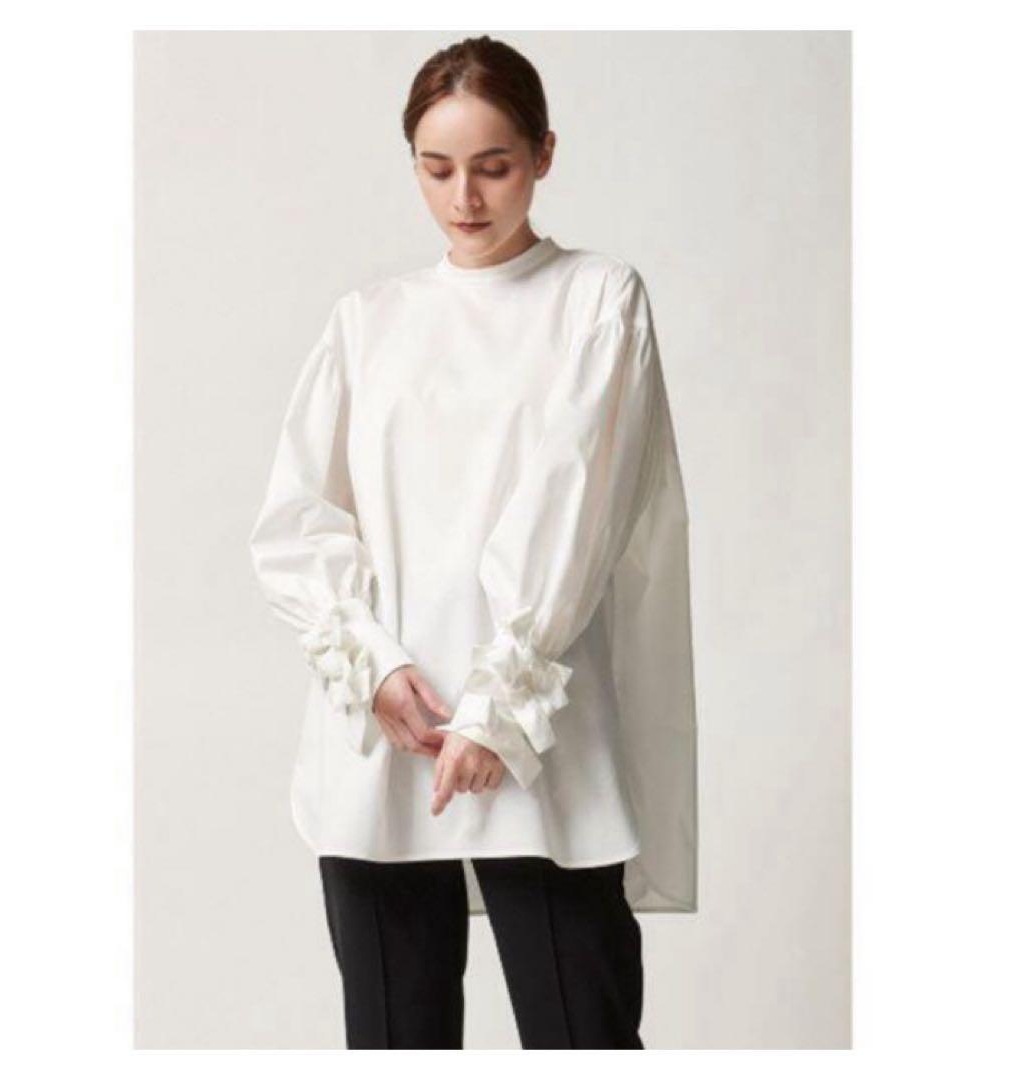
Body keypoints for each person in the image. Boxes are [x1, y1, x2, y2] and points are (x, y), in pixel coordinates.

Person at [249, 34, 698, 1050]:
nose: (464, 197)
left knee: (583, 1036)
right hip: (383, 740)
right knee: (394, 1043)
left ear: (544, 153)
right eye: (437, 168)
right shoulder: (367, 320)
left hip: (538, 733)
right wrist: (374, 668)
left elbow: (577, 504)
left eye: (493, 166)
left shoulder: (596, 299)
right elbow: (296, 520)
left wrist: (498, 706)